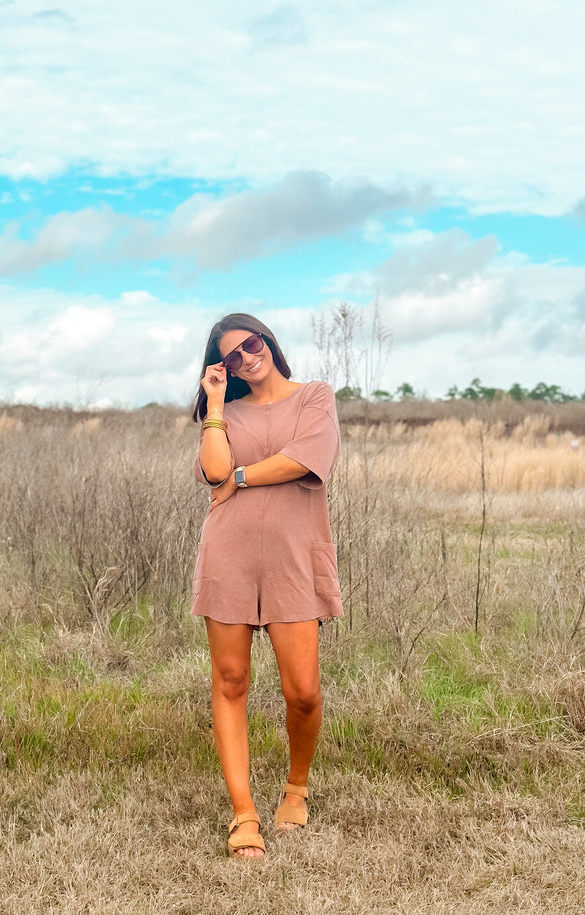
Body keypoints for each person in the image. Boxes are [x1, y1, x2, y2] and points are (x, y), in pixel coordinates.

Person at [191, 312, 342, 859]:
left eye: (251, 344)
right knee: (230, 682)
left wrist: (242, 476)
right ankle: (244, 814)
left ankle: (296, 787)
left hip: (293, 559)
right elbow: (212, 472)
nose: (245, 358)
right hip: (228, 555)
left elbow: (306, 459)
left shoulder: (314, 397)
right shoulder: (225, 411)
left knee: (302, 691)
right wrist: (212, 406)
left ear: (269, 342)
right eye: (231, 356)